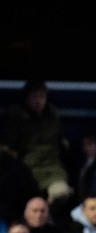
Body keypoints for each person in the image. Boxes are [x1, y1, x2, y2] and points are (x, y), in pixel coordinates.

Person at [1, 79, 72, 214]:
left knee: (61, 194)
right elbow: (8, 147)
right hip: (27, 170)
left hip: (52, 169)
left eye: (42, 97)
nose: (38, 101)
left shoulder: (53, 118)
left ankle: (47, 218)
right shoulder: (17, 120)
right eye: (34, 97)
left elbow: (60, 143)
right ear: (26, 99)